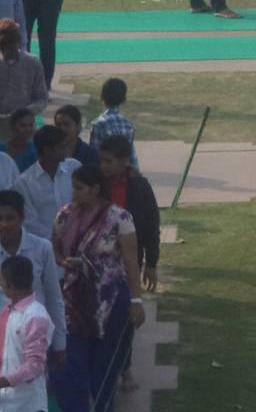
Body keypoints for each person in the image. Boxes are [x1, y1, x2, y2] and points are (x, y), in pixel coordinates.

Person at [52, 165, 145, 412]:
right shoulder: (64, 215)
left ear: (95, 190)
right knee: (75, 361)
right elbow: (56, 248)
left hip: (110, 299)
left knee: (104, 365)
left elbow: (130, 261)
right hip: (74, 299)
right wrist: (64, 262)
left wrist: (137, 301)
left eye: (79, 188)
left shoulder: (119, 218)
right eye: (73, 186)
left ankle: (105, 406)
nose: (74, 193)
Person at [0, 190, 67, 375]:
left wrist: (60, 342)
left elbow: (54, 297)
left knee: (31, 390)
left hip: (33, 336)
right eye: (0, 218)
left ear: (21, 218)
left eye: (10, 218)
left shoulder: (42, 248)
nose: (4, 224)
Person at [96, 135, 159, 296]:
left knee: (128, 304)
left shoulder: (140, 186)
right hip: (99, 258)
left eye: (109, 161)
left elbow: (151, 226)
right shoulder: (95, 184)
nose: (103, 166)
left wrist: (151, 264)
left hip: (130, 258)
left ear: (124, 161)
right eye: (101, 160)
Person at [0, 254, 55, 412]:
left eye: (1, 281)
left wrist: (5, 381)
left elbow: (35, 365)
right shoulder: (7, 313)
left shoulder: (36, 316)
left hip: (28, 404)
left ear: (10, 286)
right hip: (5, 403)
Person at [18, 128, 78, 240]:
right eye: (62, 146)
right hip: (44, 245)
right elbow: (30, 223)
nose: (66, 150)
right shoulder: (24, 183)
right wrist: (57, 240)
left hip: (78, 239)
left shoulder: (74, 168)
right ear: (47, 150)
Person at [88, 81, 136, 169]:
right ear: (124, 99)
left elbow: (94, 155)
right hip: (123, 176)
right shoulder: (128, 124)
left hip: (105, 173)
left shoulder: (98, 124)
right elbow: (132, 156)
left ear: (102, 97)